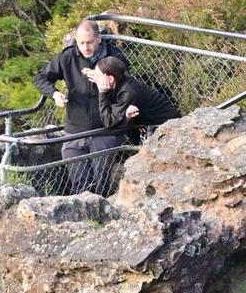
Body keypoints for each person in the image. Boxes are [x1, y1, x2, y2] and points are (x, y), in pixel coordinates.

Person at [34, 19, 128, 195]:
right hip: (75, 128)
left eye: (90, 42)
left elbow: (127, 86)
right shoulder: (68, 57)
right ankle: (82, 215)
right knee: (79, 183)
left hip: (105, 129)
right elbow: (40, 78)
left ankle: (100, 216)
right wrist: (54, 94)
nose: (86, 47)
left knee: (101, 184)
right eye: (81, 42)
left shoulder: (114, 57)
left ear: (99, 39)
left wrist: (102, 78)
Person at [94, 57, 180, 130]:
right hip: (154, 124)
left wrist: (102, 93)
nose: (95, 79)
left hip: (167, 125)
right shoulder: (121, 81)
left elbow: (108, 121)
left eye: (98, 76)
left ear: (110, 79)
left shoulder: (128, 92)